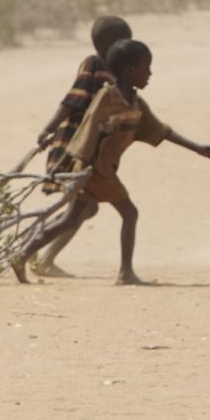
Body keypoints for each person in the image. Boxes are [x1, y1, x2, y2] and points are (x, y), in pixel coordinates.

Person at [10, 40, 210, 285]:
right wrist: (65, 162)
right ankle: (125, 273)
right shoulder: (107, 97)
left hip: (99, 170)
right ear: (130, 71)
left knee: (71, 219)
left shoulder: (136, 104)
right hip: (95, 170)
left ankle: (21, 255)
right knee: (130, 213)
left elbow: (161, 131)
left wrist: (196, 148)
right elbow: (86, 129)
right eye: (146, 68)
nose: (150, 73)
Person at [29, 16, 132, 277]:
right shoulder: (95, 64)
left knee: (86, 207)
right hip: (75, 144)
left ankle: (41, 257)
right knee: (83, 207)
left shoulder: (117, 75)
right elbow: (74, 100)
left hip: (92, 150)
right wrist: (49, 128)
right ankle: (31, 252)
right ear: (110, 44)